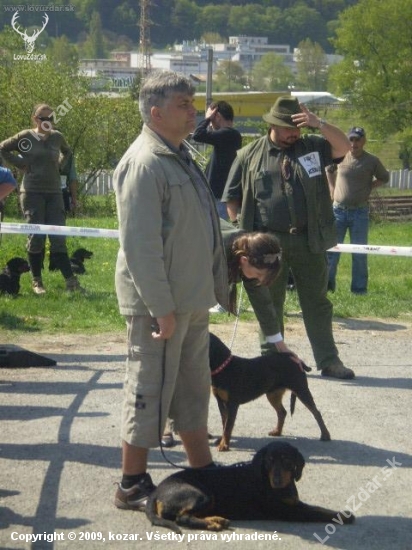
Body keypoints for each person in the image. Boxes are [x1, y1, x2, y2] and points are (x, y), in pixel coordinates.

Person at [113, 70, 229, 511]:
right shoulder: (144, 162)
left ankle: (202, 471)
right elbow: (141, 248)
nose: (194, 111)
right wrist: (161, 308)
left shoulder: (179, 156)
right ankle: (130, 483)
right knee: (149, 389)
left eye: (192, 102)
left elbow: (195, 229)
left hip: (192, 300)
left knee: (192, 387)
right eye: (184, 104)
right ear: (156, 111)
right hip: (158, 306)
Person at [222, 96, 355, 380]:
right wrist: (242, 234)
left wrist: (318, 123)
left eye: (296, 128)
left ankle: (329, 361)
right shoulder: (248, 154)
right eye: (286, 128)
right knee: (269, 302)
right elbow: (231, 198)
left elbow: (343, 147)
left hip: (310, 241)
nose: (292, 134)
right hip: (267, 245)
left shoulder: (315, 147)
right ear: (272, 125)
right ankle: (272, 360)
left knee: (317, 302)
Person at [0, 104, 84, 294]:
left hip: (54, 192)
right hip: (32, 192)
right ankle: (37, 281)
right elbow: (3, 149)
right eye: (43, 119)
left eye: (51, 119)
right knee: (36, 236)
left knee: (58, 237)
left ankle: (71, 281)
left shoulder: (57, 137)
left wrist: (60, 165)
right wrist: (20, 164)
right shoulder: (26, 138)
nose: (47, 122)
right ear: (35, 119)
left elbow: (67, 152)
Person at [327, 127, 390, 294]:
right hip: (338, 211)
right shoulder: (340, 156)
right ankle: (327, 286)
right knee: (332, 251)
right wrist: (332, 189)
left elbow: (385, 177)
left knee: (360, 252)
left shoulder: (372, 161)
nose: (354, 143)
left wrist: (370, 186)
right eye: (351, 139)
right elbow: (328, 169)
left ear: (364, 141)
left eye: (357, 139)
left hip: (359, 213)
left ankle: (359, 290)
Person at [192, 100, 242, 220]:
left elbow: (197, 135)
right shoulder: (230, 136)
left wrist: (207, 118)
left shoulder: (229, 133)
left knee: (218, 233)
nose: (210, 125)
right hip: (218, 196)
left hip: (220, 198)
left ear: (217, 116)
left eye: (212, 120)